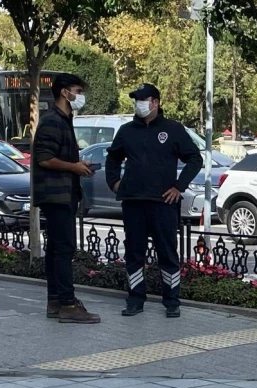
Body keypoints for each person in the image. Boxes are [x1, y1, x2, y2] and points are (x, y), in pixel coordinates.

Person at [105, 83, 203, 318]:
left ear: (156, 102)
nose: (139, 104)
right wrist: (114, 182)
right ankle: (135, 299)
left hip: (163, 203)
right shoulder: (127, 131)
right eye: (136, 100)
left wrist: (179, 187)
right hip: (133, 202)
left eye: (143, 99)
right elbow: (113, 158)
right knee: (134, 252)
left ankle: (172, 301)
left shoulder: (173, 129)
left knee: (167, 253)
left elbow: (194, 159)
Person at [32, 73, 101, 324]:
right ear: (64, 92)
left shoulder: (63, 119)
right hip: (56, 195)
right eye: (77, 91)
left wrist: (77, 164)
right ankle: (68, 304)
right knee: (64, 249)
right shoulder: (52, 120)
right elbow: (44, 158)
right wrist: (74, 167)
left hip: (61, 193)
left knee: (56, 249)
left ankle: (55, 301)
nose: (80, 96)